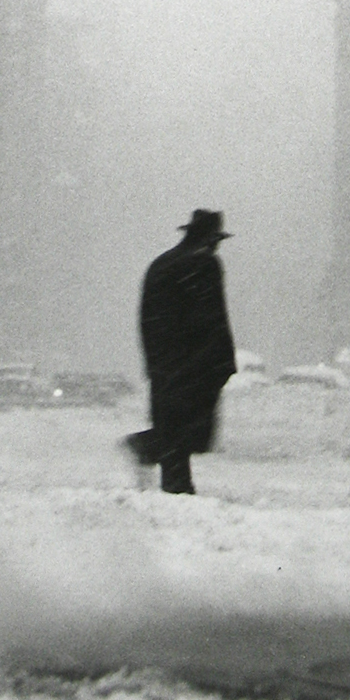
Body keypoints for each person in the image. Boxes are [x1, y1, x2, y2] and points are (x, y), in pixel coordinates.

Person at [125, 208, 237, 494]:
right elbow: (213, 317)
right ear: (210, 239)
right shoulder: (205, 264)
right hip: (196, 365)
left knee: (174, 430)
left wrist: (156, 363)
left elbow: (146, 319)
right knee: (190, 433)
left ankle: (177, 485)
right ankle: (146, 448)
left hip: (165, 365)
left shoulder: (161, 264)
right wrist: (221, 361)